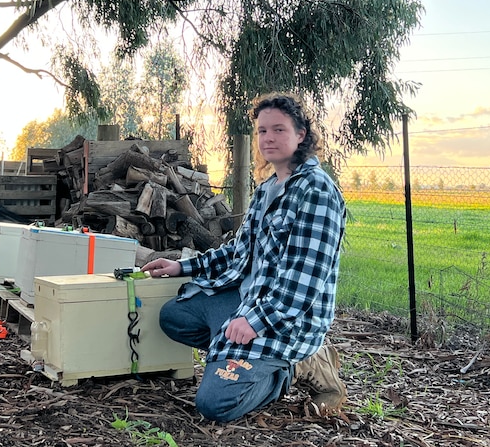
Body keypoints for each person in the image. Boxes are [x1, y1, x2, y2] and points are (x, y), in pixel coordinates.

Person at [142, 92, 347, 422]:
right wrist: (181, 266)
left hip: (286, 318)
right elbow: (238, 251)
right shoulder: (268, 189)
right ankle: (237, 355)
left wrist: (254, 321)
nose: (268, 138)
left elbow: (301, 286)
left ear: (301, 135)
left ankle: (296, 365)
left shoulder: (316, 192)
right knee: (173, 316)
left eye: (279, 129)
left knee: (215, 405)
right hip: (247, 298)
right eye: (262, 130)